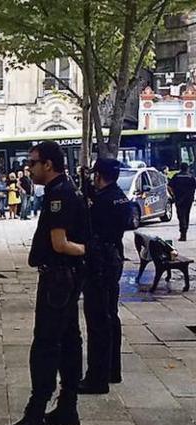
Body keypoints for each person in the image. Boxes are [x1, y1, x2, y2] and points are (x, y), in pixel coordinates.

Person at [0, 141, 87, 425]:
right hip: (67, 278)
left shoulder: (59, 195)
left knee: (46, 345)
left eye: (33, 162)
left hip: (57, 279)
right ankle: (67, 406)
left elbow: (60, 243)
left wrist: (85, 251)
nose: (29, 167)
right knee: (69, 340)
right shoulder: (64, 189)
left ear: (48, 164)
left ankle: (36, 414)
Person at [81, 158, 131, 395]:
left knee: (98, 319)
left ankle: (96, 377)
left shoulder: (101, 202)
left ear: (99, 175)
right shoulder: (120, 196)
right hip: (115, 257)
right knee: (111, 315)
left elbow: (89, 227)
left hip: (100, 262)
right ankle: (113, 369)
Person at [168, 164, 196, 241]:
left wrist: (173, 195)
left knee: (181, 216)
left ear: (180, 168)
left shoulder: (176, 176)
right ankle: (184, 231)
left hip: (179, 199)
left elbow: (169, 186)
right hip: (189, 200)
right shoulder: (191, 177)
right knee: (186, 215)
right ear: (187, 169)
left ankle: (183, 232)